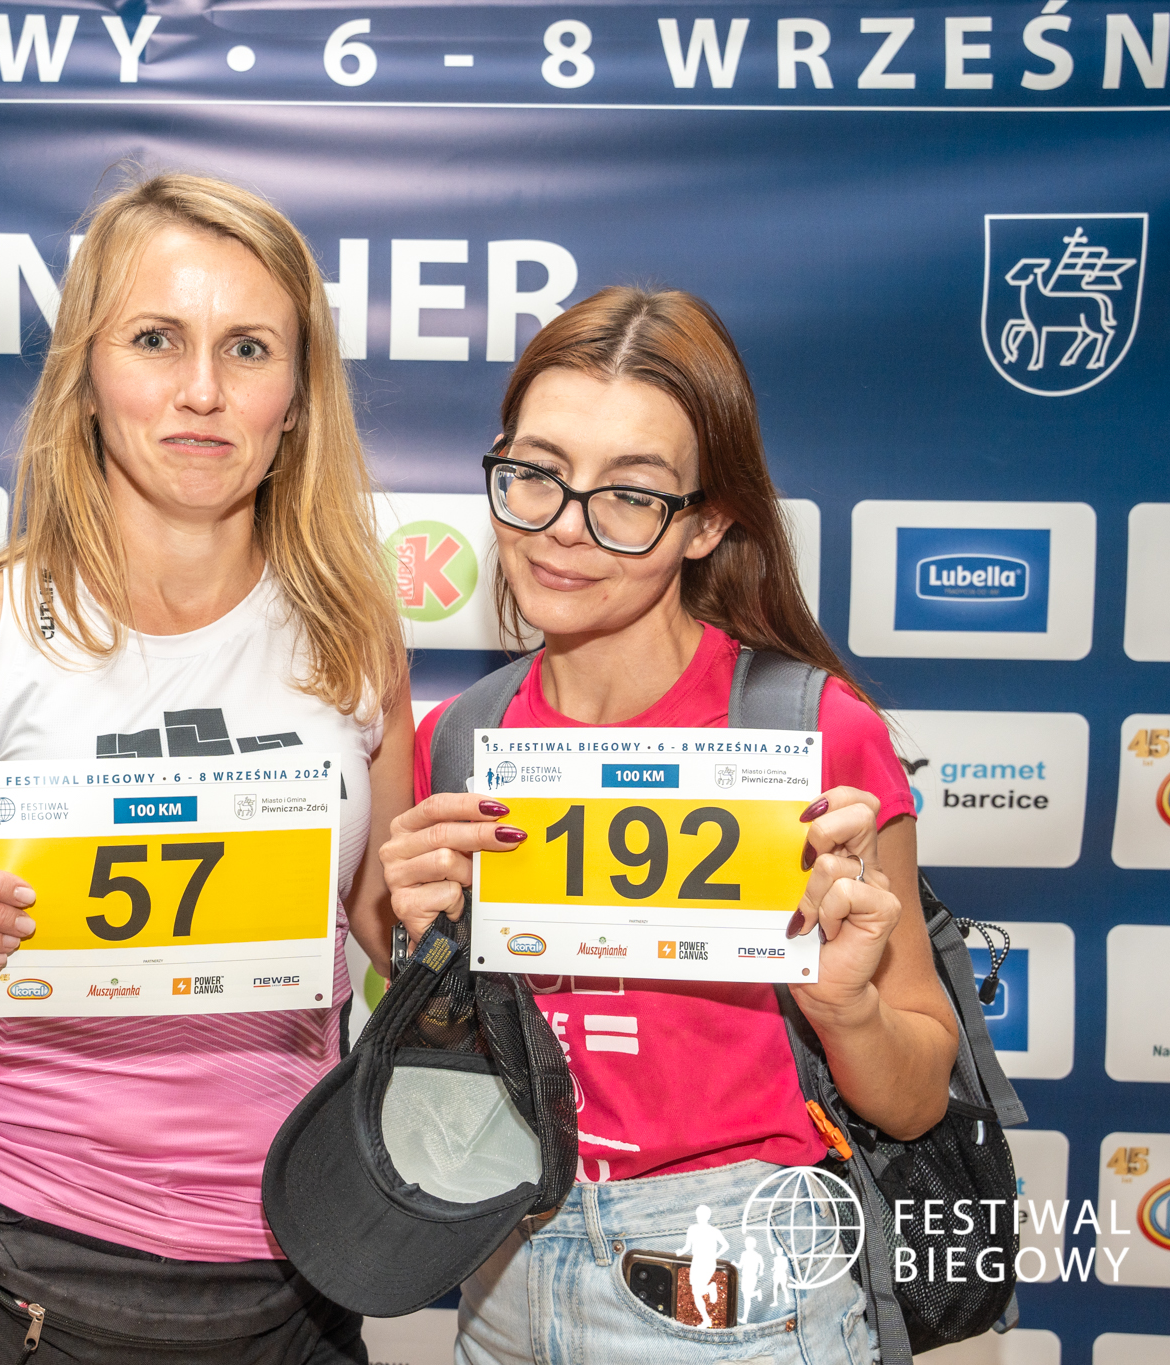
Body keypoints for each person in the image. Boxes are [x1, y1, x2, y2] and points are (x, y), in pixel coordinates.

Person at [0, 173, 413, 1363]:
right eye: (154, 339)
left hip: (291, 1272)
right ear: (85, 375)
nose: (202, 391)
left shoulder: (355, 637)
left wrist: (450, 914)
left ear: (296, 398)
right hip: (1, 1260)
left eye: (247, 348)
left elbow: (393, 950)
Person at [380, 287, 957, 1363]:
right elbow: (458, 1068)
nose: (566, 526)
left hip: (736, 1279)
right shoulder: (459, 741)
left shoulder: (814, 734)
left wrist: (847, 1005)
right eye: (537, 472)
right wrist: (422, 961)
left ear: (706, 521)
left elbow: (918, 1098)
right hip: (502, 1267)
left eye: (631, 495)